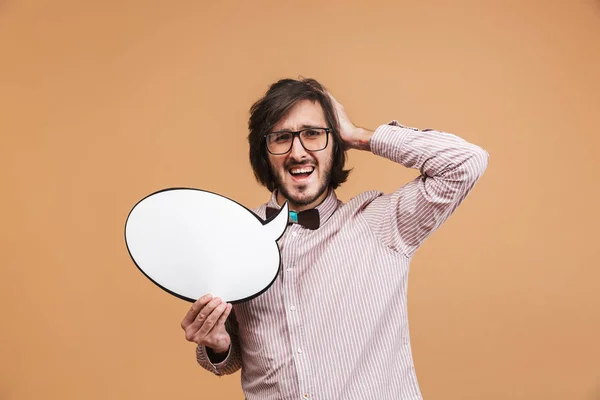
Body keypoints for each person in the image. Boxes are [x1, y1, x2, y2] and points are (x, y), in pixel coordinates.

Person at [180, 77, 489, 399]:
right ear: (264, 152)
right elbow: (228, 360)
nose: (297, 152)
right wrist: (217, 346)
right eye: (281, 138)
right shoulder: (232, 238)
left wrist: (358, 135)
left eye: (313, 134)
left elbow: (465, 163)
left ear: (336, 142)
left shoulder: (382, 223)